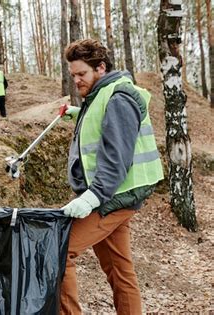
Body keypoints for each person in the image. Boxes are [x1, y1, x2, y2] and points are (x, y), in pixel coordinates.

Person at [58, 39, 164, 314]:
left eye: (81, 74)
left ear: (100, 68)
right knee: (120, 269)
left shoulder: (119, 97)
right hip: (114, 195)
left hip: (113, 196)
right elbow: (104, 122)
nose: (77, 80)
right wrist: (76, 114)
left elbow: (116, 157)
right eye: (73, 75)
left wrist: (92, 198)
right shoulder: (103, 94)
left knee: (59, 252)